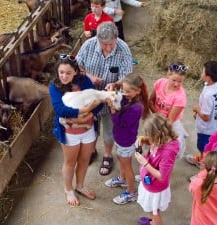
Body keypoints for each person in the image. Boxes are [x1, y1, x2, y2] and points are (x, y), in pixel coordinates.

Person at [76, 21, 133, 176]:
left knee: (109, 129)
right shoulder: (88, 46)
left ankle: (107, 155)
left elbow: (127, 76)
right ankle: (92, 150)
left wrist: (114, 84)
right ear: (98, 39)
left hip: (110, 98)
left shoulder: (123, 49)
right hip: (90, 97)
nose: (108, 48)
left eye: (111, 44)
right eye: (104, 44)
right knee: (90, 126)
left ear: (116, 37)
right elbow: (76, 67)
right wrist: (89, 76)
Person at [49, 54, 102, 206]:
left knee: (85, 160)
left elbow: (98, 101)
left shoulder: (84, 81)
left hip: (88, 130)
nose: (64, 76)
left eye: (68, 73)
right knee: (70, 162)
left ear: (75, 72)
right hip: (69, 133)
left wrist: (89, 115)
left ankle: (80, 186)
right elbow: (60, 109)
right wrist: (84, 111)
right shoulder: (55, 86)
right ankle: (68, 190)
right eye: (61, 72)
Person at [104, 73, 149, 204]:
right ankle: (121, 178)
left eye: (128, 91)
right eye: (123, 90)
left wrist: (112, 108)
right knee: (120, 159)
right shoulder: (129, 99)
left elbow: (119, 121)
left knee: (127, 165)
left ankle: (131, 192)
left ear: (138, 91)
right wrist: (113, 94)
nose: (125, 93)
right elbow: (121, 100)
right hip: (119, 137)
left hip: (126, 141)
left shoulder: (136, 108)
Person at [134, 113, 179, 225]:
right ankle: (154, 222)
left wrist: (145, 163)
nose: (149, 137)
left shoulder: (168, 152)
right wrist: (143, 139)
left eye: (150, 135)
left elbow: (161, 175)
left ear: (158, 134)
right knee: (151, 210)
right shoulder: (160, 139)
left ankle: (156, 222)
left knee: (153, 211)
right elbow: (151, 140)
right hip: (149, 181)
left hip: (155, 186)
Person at [186, 61, 217, 168]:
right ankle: (204, 159)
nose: (201, 73)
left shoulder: (208, 95)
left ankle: (203, 166)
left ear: (208, 78)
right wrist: (198, 113)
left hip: (207, 129)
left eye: (203, 72)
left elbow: (206, 117)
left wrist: (197, 109)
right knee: (210, 147)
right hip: (216, 125)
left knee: (204, 147)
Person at [148, 62, 188, 159]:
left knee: (169, 147)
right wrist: (156, 115)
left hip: (169, 122)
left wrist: (159, 132)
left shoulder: (180, 97)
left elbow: (169, 121)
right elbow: (150, 100)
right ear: (168, 74)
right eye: (174, 80)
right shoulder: (160, 82)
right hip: (157, 117)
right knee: (154, 142)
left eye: (180, 82)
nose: (176, 84)